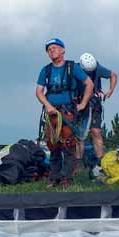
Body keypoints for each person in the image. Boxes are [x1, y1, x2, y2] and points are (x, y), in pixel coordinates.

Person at [35, 38, 93, 186]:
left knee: (68, 145)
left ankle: (66, 179)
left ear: (63, 50)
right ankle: (54, 178)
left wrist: (83, 104)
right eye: (49, 49)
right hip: (52, 114)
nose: (51, 51)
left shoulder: (72, 68)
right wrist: (48, 106)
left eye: (54, 48)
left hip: (68, 112)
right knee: (53, 145)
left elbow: (89, 84)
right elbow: (39, 91)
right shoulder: (46, 70)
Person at [76, 52, 118, 162]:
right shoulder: (75, 69)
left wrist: (110, 91)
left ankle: (100, 161)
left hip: (94, 103)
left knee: (96, 132)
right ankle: (78, 163)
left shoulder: (97, 68)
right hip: (78, 103)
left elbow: (113, 75)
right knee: (79, 134)